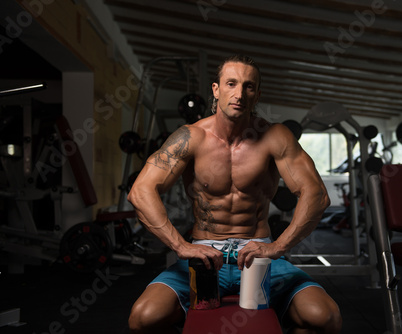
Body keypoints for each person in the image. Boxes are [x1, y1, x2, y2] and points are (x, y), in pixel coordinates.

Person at [127, 54, 342, 334]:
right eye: (231, 84)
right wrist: (181, 246)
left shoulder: (276, 136)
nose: (239, 93)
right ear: (216, 90)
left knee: (325, 317)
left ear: (257, 94)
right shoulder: (190, 137)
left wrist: (277, 247)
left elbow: (316, 194)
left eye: (248, 86)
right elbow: (141, 191)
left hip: (259, 255)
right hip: (204, 255)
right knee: (143, 318)